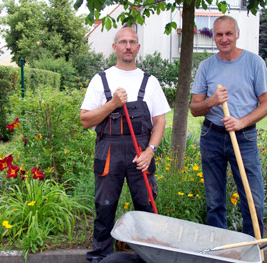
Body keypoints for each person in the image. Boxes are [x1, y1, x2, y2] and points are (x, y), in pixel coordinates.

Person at [80, 27, 171, 263]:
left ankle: (148, 257)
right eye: (123, 42)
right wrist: (112, 104)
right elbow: (85, 120)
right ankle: (100, 257)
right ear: (115, 47)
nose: (128, 46)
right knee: (105, 206)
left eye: (132, 42)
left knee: (146, 207)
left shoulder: (149, 82)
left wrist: (151, 151)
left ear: (138, 47)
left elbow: (160, 120)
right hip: (109, 152)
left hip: (141, 152)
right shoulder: (101, 80)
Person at [190, 15, 267, 238]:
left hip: (244, 137)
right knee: (214, 200)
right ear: (214, 37)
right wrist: (212, 101)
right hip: (212, 136)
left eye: (229, 33)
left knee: (252, 199)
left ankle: (253, 247)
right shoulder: (206, 67)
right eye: (219, 34)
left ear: (237, 34)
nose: (224, 39)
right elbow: (195, 108)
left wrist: (241, 122)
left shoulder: (254, 63)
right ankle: (221, 250)